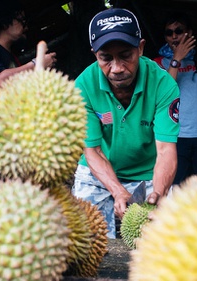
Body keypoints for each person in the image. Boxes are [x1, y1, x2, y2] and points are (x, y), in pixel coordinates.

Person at [72, 8, 180, 238]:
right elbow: (92, 150)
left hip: (148, 174)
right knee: (88, 242)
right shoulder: (83, 86)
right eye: (106, 58)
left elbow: (165, 150)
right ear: (95, 55)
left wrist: (158, 193)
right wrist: (117, 190)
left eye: (125, 55)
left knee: (161, 241)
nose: (117, 68)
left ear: (140, 48)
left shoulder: (163, 84)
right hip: (96, 174)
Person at [153, 12, 197, 186]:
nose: (174, 36)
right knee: (175, 188)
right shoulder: (158, 63)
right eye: (169, 33)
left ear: (189, 33)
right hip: (175, 137)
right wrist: (177, 58)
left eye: (179, 31)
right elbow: (163, 91)